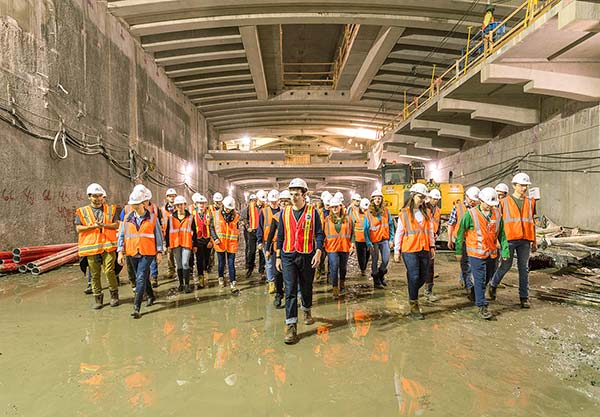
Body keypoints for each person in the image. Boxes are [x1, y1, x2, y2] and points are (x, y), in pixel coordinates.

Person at [276, 178, 324, 345]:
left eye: (297, 194)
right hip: (288, 255)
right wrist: (277, 256)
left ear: (304, 194)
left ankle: (306, 310)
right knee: (289, 290)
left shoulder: (312, 212)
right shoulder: (285, 212)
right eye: (291, 194)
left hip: (306, 255)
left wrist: (318, 252)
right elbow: (280, 236)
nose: (294, 197)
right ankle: (291, 326)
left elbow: (319, 233)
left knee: (306, 287)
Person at [455, 187, 509, 320]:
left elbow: (502, 234)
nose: (490, 207)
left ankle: (475, 292)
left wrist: (505, 250)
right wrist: (458, 251)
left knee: (488, 276)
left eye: (492, 205)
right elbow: (460, 232)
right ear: (481, 201)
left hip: (491, 253)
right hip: (476, 254)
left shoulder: (497, 214)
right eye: (488, 204)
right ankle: (482, 306)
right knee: (480, 279)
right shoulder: (470, 214)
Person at [488, 173, 537, 308]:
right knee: (505, 265)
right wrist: (497, 240)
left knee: (524, 268)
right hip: (508, 240)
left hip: (525, 240)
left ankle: (524, 297)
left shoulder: (530, 202)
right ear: (514, 186)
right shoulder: (503, 203)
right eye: (521, 185)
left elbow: (532, 222)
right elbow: (496, 223)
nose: (524, 188)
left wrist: (534, 241)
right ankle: (493, 284)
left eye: (526, 186)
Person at [117, 188, 163, 319]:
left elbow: (158, 237)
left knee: (140, 277)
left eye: (136, 204)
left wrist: (159, 252)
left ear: (143, 203)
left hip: (147, 252)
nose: (133, 206)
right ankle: (150, 295)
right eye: (133, 204)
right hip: (132, 252)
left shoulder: (153, 218)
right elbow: (121, 236)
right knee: (142, 276)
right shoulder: (127, 218)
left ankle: (136, 307)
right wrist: (120, 252)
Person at [75, 183, 120, 309]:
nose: (98, 198)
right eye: (95, 196)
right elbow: (78, 228)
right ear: (89, 197)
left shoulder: (111, 209)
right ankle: (98, 297)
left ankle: (114, 295)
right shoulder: (82, 211)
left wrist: (104, 225)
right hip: (91, 247)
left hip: (108, 245)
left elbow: (117, 225)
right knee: (95, 274)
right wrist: (92, 227)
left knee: (109, 271)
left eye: (100, 196)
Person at [393, 183, 435, 320]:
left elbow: (430, 231)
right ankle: (414, 304)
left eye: (423, 197)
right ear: (413, 196)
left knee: (423, 276)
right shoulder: (404, 213)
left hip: (424, 249)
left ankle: (412, 290)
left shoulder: (427, 212)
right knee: (415, 275)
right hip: (409, 249)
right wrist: (396, 251)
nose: (422, 199)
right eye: (420, 196)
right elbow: (399, 232)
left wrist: (432, 247)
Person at [448, 186, 480, 298]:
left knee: (472, 264)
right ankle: (469, 286)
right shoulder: (458, 207)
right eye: (471, 199)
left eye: (474, 200)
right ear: (466, 196)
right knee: (465, 264)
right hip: (461, 240)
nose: (472, 202)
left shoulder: (479, 208)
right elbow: (451, 224)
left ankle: (466, 281)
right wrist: (450, 239)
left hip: (474, 240)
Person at [265, 190, 292, 308]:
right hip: (278, 249)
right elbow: (270, 234)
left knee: (290, 275)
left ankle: (291, 296)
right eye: (282, 202)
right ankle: (279, 294)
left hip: (291, 248)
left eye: (286, 202)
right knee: (277, 273)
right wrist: (267, 249)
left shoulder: (294, 216)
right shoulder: (276, 217)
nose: (284, 204)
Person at [364, 189, 395, 289]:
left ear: (382, 199)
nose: (378, 200)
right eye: (376, 198)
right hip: (374, 241)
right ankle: (376, 279)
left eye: (379, 198)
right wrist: (368, 243)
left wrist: (391, 239)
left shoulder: (386, 211)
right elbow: (366, 229)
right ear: (372, 200)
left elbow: (390, 225)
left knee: (386, 260)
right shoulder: (368, 213)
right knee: (375, 259)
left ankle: (381, 274)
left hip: (384, 239)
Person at [210, 195, 241, 293]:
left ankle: (233, 283)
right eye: (227, 208)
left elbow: (237, 229)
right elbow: (211, 228)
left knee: (231, 264)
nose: (228, 210)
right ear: (223, 205)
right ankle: (221, 278)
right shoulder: (215, 214)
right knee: (221, 263)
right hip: (220, 242)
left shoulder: (236, 216)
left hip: (231, 243)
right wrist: (215, 238)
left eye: (230, 208)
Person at [165, 195, 196, 293]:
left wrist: (195, 245)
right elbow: (167, 232)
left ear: (185, 205)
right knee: (179, 265)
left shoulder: (190, 217)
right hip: (175, 243)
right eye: (177, 205)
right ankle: (181, 284)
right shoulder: (171, 218)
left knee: (185, 263)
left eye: (181, 204)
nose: (179, 206)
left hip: (186, 243)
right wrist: (168, 245)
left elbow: (194, 231)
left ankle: (187, 284)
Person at [324, 196, 353, 297]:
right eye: (332, 207)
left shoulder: (348, 219)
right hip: (332, 248)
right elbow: (323, 234)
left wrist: (352, 244)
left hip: (345, 246)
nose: (334, 209)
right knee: (334, 267)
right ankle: (335, 287)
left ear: (340, 207)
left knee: (343, 268)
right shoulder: (327, 219)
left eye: (336, 206)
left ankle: (342, 283)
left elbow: (352, 233)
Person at [257, 190, 280, 294]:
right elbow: (260, 227)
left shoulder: (282, 211)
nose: (274, 203)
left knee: (278, 263)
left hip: (279, 241)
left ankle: (278, 282)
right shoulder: (264, 211)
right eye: (272, 201)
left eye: (275, 201)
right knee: (269, 263)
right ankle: (271, 282)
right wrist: (259, 241)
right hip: (267, 241)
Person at [424, 189, 442, 302]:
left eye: (437, 199)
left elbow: (438, 223)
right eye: (434, 198)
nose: (435, 201)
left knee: (430, 266)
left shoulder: (438, 210)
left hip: (432, 239)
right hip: (423, 239)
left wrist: (437, 234)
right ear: (429, 198)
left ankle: (428, 291)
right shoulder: (423, 209)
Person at [245, 190, 266, 279]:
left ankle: (261, 270)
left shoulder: (266, 207)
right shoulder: (249, 207)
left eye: (263, 200)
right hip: (252, 232)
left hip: (262, 232)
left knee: (262, 252)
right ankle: (250, 267)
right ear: (257, 199)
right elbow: (245, 218)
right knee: (251, 251)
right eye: (261, 200)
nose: (262, 202)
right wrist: (247, 226)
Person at [191, 193, 211, 289]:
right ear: (196, 204)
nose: (202, 205)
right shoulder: (192, 215)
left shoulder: (210, 214)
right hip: (198, 240)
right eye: (200, 203)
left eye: (203, 203)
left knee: (207, 259)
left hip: (207, 239)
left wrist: (211, 240)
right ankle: (200, 278)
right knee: (199, 260)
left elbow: (214, 228)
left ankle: (205, 271)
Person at [350, 198, 371, 277]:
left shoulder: (370, 213)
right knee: (361, 256)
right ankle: (363, 269)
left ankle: (364, 267)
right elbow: (352, 225)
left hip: (368, 239)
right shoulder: (355, 213)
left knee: (367, 255)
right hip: (359, 239)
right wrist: (352, 241)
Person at [162, 188, 177, 280]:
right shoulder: (162, 209)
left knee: (179, 253)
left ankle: (181, 270)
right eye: (170, 196)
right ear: (167, 197)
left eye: (173, 196)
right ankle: (171, 270)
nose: (172, 198)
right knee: (169, 253)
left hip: (177, 234)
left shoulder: (179, 207)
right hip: (167, 234)